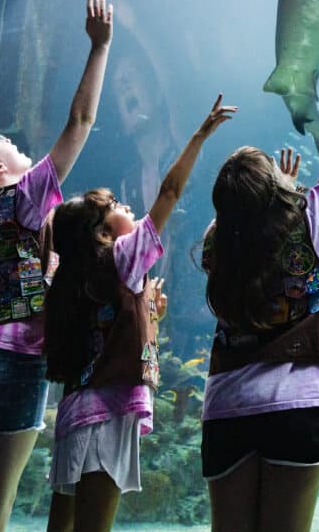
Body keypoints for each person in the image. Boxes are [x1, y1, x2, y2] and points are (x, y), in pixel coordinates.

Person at [0, 0, 115, 532]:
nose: (12, 142)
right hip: (11, 359)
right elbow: (81, 120)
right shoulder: (23, 197)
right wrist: (99, 48)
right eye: (3, 141)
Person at [43, 96, 235, 532]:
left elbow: (104, 334)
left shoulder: (72, 278)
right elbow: (169, 192)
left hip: (77, 410)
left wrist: (149, 318)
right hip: (105, 415)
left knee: (63, 524)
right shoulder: (120, 258)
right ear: (102, 232)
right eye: (116, 205)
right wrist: (198, 137)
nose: (129, 207)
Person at [198, 49, 319, 532]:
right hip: (298, 402)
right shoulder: (310, 223)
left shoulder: (214, 244)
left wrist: (277, 190)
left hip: (227, 406)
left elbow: (244, 222)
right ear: (276, 192)